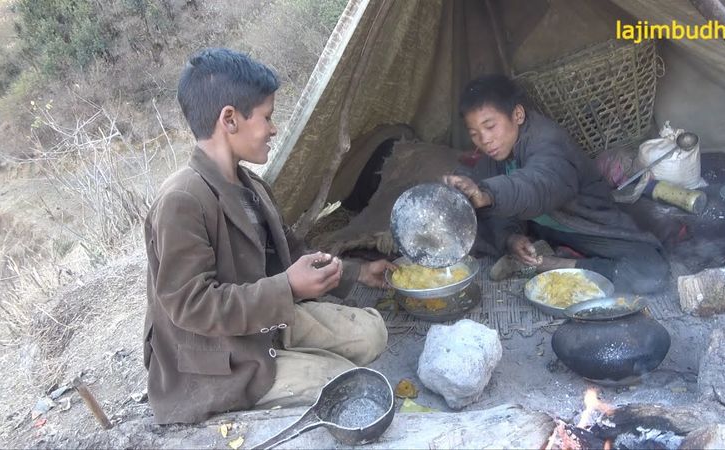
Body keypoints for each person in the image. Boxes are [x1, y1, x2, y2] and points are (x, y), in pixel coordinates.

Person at [143, 48, 395, 424]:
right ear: (229, 119)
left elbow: (291, 253)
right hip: (218, 358)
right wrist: (288, 288)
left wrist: (356, 272)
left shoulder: (251, 185)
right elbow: (191, 306)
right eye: (267, 117)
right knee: (347, 381)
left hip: (266, 322)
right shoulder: (182, 199)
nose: (274, 129)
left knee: (372, 334)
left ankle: (294, 354)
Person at [443, 74, 669, 294]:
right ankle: (525, 253)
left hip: (583, 227)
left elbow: (539, 184)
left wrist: (488, 193)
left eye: (490, 126)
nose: (484, 140)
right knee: (468, 221)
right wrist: (510, 238)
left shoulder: (547, 140)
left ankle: (551, 264)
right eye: (474, 133)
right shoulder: (496, 151)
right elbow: (485, 194)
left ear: (518, 115)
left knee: (650, 271)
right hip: (542, 228)